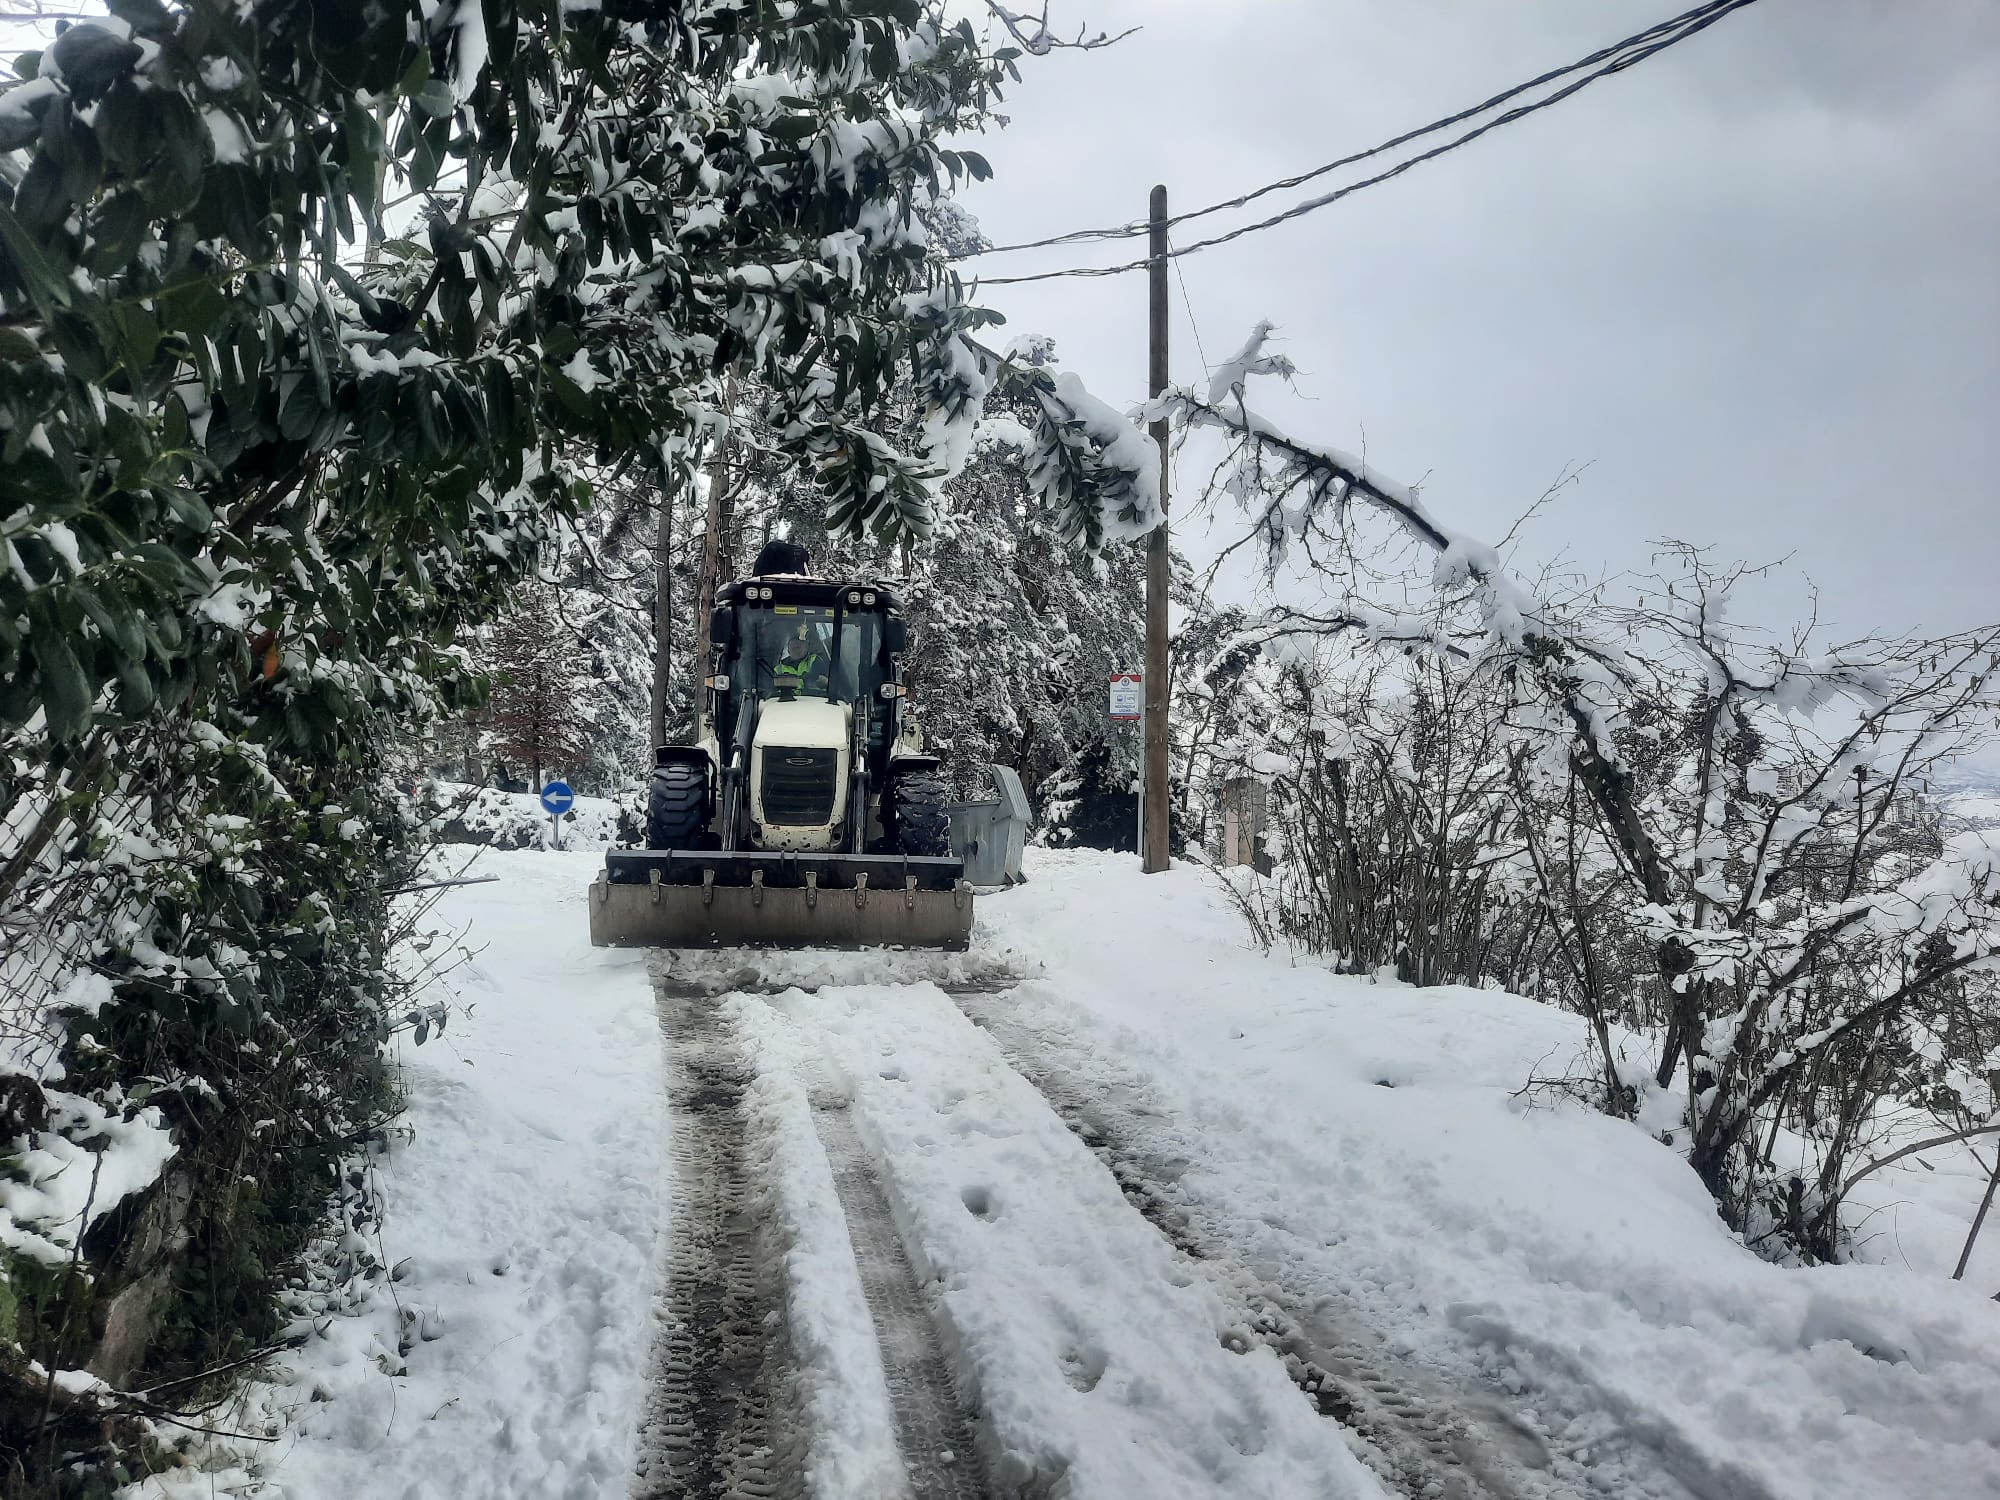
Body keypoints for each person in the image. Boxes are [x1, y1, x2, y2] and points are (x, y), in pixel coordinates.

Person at [773, 625, 829, 694]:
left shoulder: (815, 661)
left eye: (799, 647)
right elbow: (772, 691)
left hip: (812, 701)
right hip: (786, 702)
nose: (796, 650)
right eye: (793, 647)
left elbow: (826, 682)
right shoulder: (778, 669)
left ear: (807, 648)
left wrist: (821, 681)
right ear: (788, 650)